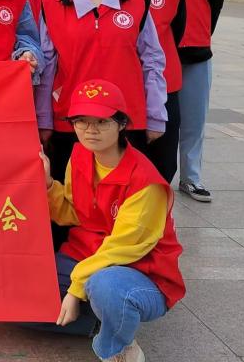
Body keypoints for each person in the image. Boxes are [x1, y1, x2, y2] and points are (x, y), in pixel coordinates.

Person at [39, 79, 185, 362]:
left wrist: (75, 290)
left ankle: (117, 347)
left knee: (104, 286)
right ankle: (99, 321)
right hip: (86, 254)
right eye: (81, 121)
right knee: (21, 296)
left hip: (140, 270)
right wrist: (46, 184)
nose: (90, 130)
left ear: (121, 124)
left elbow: (123, 248)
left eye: (102, 122)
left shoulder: (145, 183)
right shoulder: (80, 157)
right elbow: (73, 212)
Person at [37, 0, 167, 177]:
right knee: (71, 195)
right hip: (72, 120)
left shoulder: (137, 0)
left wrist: (155, 114)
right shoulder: (51, 4)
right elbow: (47, 66)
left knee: (125, 192)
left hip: (126, 118)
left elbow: (153, 60)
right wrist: (44, 118)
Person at [150, 0, 224, 202]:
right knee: (158, 120)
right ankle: (152, 178)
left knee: (194, 120)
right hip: (158, 56)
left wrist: (200, 33)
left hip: (195, 53)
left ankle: (191, 178)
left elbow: (215, 2)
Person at [113, 0, 187, 183]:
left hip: (163, 81)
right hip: (119, 81)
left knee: (163, 158)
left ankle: (158, 206)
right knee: (122, 156)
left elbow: (177, 26)